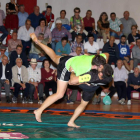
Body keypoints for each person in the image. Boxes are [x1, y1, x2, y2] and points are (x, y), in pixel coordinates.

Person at [30, 33, 108, 122]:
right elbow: (71, 82)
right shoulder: (83, 68)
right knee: (59, 94)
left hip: (72, 59)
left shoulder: (99, 59)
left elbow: (107, 54)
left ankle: (38, 42)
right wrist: (83, 81)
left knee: (54, 57)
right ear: (94, 66)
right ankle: (39, 111)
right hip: (68, 68)